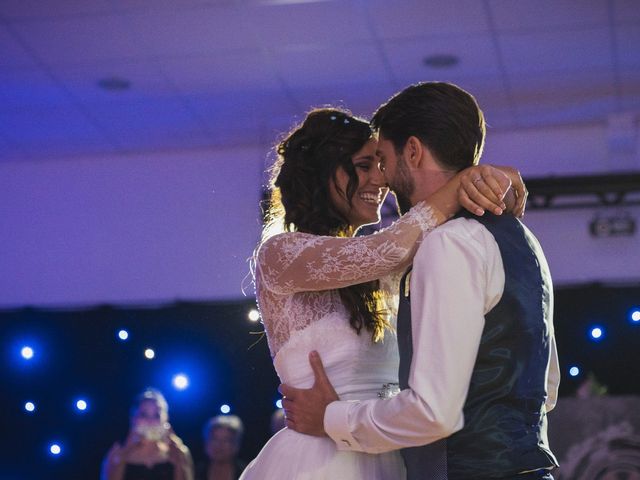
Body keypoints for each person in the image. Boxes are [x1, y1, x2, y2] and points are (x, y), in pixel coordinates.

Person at [281, 82, 561, 479]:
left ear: (411, 150)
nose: (381, 178)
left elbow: (433, 413)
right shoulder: (521, 238)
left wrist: (332, 418)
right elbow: (546, 390)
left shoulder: (447, 244)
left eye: (381, 158)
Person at [101, 388, 194, 480]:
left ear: (166, 419)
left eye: (156, 415)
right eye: (143, 415)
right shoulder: (117, 453)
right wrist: (124, 455)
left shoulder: (179, 452)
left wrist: (179, 462)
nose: (150, 421)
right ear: (133, 418)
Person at [196, 415, 247, 480]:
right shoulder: (196, 472)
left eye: (226, 440)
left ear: (236, 444)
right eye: (214, 439)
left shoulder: (246, 473)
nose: (219, 445)